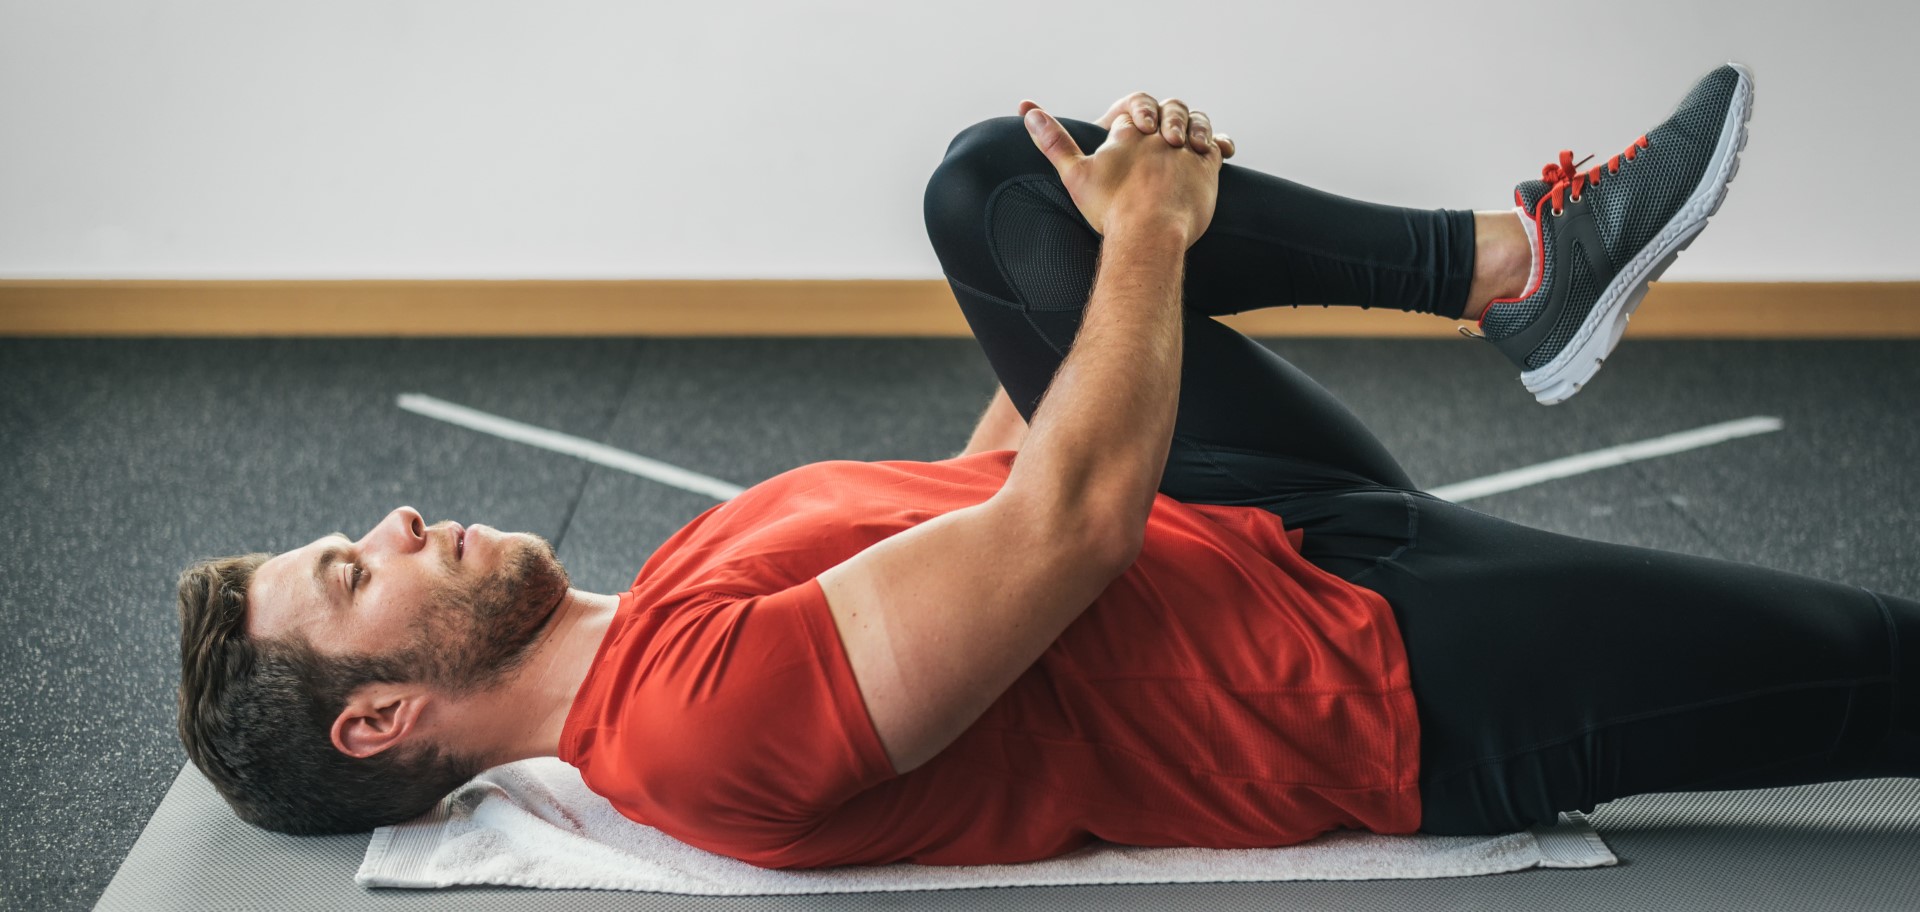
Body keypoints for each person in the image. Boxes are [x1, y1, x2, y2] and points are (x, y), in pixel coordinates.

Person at [175, 61, 1919, 869]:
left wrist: (1082, 263)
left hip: (1259, 523)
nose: (391, 523)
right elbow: (1067, 528)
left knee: (988, 192)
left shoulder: (655, 608)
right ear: (379, 720)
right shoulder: (688, 730)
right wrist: (1149, 249)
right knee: (1879, 674)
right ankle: (1528, 282)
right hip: (1383, 680)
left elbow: (985, 486)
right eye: (353, 572)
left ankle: (1521, 272)